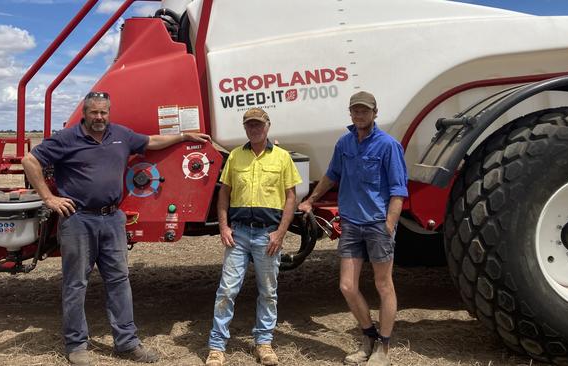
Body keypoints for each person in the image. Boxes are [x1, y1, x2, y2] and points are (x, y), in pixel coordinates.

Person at [22, 91, 210, 366]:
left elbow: (151, 141)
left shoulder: (120, 134)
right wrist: (49, 199)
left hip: (112, 219)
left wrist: (183, 137)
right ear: (84, 113)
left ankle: (127, 343)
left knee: (119, 281)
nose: (99, 117)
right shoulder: (66, 139)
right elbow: (30, 161)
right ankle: (76, 345)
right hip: (78, 219)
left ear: (109, 112)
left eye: (103, 112)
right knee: (76, 284)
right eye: (94, 112)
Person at [298, 91, 408, 366]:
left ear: (374, 113)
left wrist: (389, 225)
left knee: (383, 284)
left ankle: (383, 348)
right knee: (347, 286)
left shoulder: (388, 145)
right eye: (355, 111)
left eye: (364, 111)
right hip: (351, 224)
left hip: (376, 225)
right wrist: (310, 200)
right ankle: (368, 337)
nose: (359, 115)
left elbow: (398, 190)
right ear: (350, 113)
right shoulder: (345, 143)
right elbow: (332, 175)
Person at [205, 108, 302, 366]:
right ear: (245, 128)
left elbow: (291, 197)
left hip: (267, 235)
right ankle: (216, 347)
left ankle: (264, 343)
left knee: (268, 291)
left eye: (258, 124)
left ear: (268, 126)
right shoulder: (236, 156)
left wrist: (280, 233)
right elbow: (224, 193)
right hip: (238, 234)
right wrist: (223, 227)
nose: (254, 129)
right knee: (226, 290)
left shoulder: (282, 158)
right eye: (249, 125)